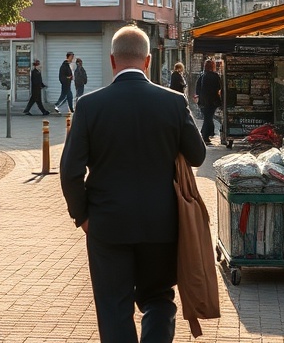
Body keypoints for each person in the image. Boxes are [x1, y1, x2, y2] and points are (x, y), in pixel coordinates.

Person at [60, 26, 206, 343]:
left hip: (107, 223)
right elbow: (197, 155)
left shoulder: (89, 105)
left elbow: (70, 171)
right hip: (162, 223)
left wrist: (82, 216)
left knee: (113, 306)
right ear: (148, 61)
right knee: (159, 298)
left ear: (112, 60)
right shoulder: (173, 102)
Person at [194, 59, 223, 144]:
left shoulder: (202, 76)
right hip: (212, 101)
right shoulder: (215, 76)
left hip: (203, 101)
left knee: (207, 117)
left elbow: (197, 90)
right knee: (208, 118)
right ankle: (205, 136)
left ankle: (205, 134)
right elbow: (219, 87)